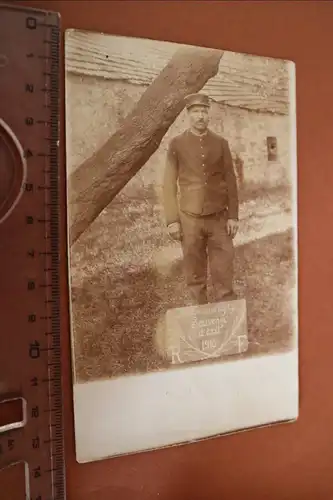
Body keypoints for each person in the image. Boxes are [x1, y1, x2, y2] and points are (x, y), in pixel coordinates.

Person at [163, 93, 239, 305]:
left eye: (204, 111)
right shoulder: (177, 144)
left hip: (219, 218)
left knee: (223, 271)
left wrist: (233, 216)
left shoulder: (221, 143)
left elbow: (231, 180)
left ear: (209, 114)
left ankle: (228, 324)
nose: (200, 116)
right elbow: (168, 184)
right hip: (190, 220)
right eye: (195, 111)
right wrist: (172, 220)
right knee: (194, 276)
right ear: (188, 115)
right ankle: (200, 323)